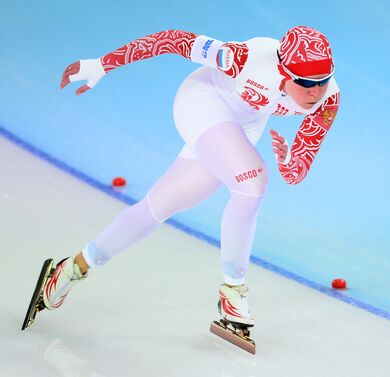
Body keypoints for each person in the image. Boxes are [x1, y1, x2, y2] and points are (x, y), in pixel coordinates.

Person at [43, 26, 340, 327]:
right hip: (204, 101)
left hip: (241, 129)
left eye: (323, 81)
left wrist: (288, 159)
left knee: (158, 206)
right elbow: (172, 40)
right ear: (282, 72)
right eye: (304, 82)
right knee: (253, 182)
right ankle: (233, 291)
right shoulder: (244, 58)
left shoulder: (328, 100)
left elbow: (295, 173)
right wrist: (103, 63)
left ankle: (72, 267)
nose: (315, 92)